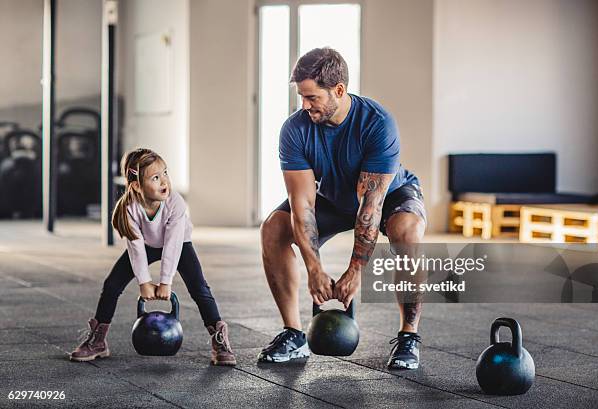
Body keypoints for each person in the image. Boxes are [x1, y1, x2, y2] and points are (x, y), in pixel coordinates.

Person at [258, 48, 427, 369]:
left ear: (338, 90)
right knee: (273, 228)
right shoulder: (295, 129)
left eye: (311, 97)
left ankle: (409, 337)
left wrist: (355, 271)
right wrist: (314, 269)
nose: (305, 105)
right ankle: (294, 335)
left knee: (407, 232)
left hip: (389, 195)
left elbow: (371, 206)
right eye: (301, 97)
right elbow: (302, 204)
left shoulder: (377, 123)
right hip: (334, 197)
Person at [70, 148, 236, 366]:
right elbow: (136, 246)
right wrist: (144, 282)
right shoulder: (129, 208)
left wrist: (165, 282)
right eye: (155, 177)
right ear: (137, 186)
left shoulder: (175, 203)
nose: (164, 181)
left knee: (200, 288)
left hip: (179, 244)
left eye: (165, 173)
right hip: (147, 245)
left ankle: (219, 340)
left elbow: (173, 244)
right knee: (111, 285)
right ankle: (98, 341)